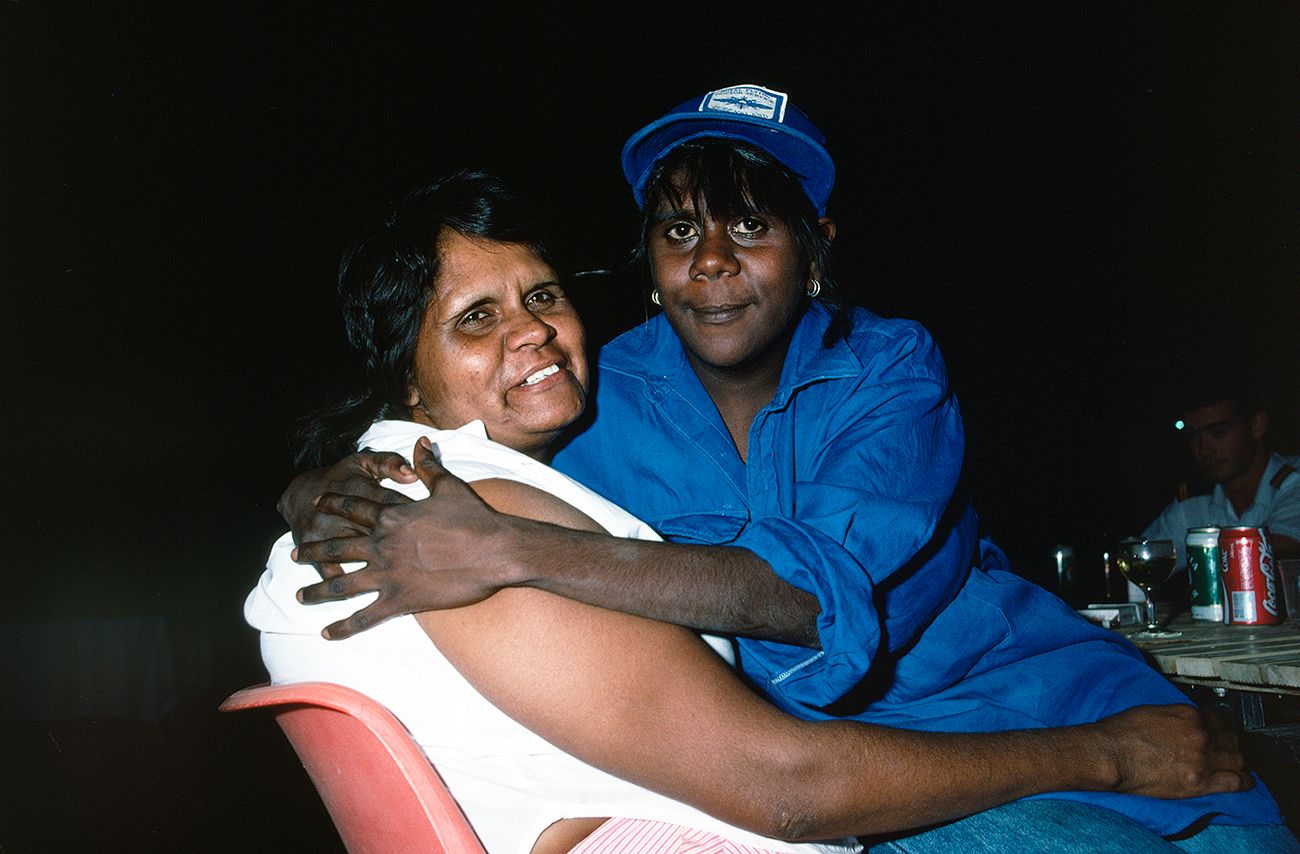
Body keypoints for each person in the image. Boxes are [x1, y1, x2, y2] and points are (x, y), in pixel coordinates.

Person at [282, 87, 1297, 851]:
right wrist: (320, 489)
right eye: (679, 230)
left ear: (815, 249)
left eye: (751, 225)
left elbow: (807, 595)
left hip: (1034, 705)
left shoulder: (890, 368)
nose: (711, 260)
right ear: (649, 262)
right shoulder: (593, 393)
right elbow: (450, 422)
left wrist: (515, 550)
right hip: (859, 777)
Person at [1143, 384, 1299, 562]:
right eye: (1194, 436)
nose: (1204, 448)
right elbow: (1143, 557)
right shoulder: (1194, 502)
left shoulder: (1294, 481)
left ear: (1257, 426)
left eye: (1218, 433)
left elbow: (1285, 547)